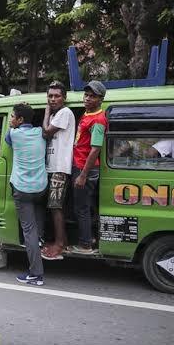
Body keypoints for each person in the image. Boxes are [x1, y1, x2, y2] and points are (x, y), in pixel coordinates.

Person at [5, 103, 48, 286]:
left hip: (23, 190)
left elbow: (6, 141)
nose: (11, 119)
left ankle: (36, 274)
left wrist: (11, 126)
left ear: (20, 120)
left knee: (29, 231)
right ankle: (40, 241)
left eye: (13, 116)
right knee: (37, 228)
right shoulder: (40, 132)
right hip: (41, 188)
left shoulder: (14, 134)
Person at [68, 80, 108, 255]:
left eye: (93, 96)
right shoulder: (88, 114)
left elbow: (95, 149)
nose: (88, 99)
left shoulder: (98, 120)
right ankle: (89, 237)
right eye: (86, 95)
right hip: (80, 165)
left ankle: (85, 245)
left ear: (100, 99)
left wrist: (83, 175)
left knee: (81, 208)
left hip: (85, 169)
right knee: (85, 206)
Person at [40, 81, 75, 260]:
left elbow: (46, 133)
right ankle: (60, 241)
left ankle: (60, 244)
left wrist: (46, 112)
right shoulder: (58, 115)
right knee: (53, 206)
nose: (53, 99)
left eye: (57, 96)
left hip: (60, 168)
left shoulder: (64, 112)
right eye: (50, 96)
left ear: (64, 98)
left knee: (55, 206)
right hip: (53, 167)